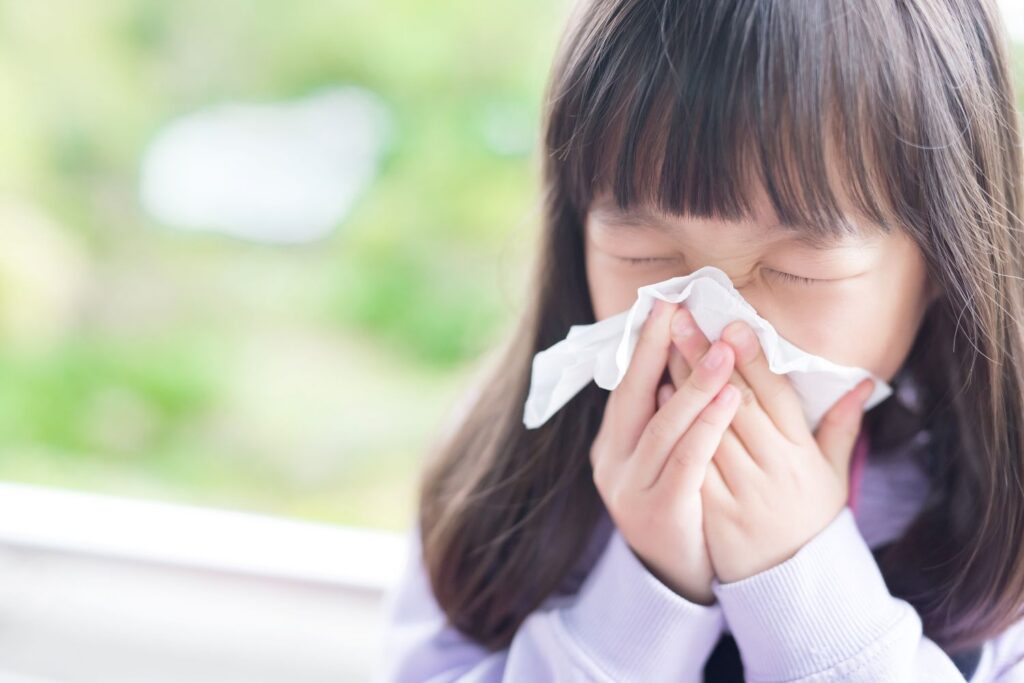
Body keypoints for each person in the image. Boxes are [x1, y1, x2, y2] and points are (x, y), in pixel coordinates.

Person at [378, 0, 1024, 680]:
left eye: (795, 268)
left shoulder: (1001, 519)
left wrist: (803, 586)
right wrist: (643, 597)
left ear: (946, 265)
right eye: (645, 253)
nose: (717, 327)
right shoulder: (505, 485)